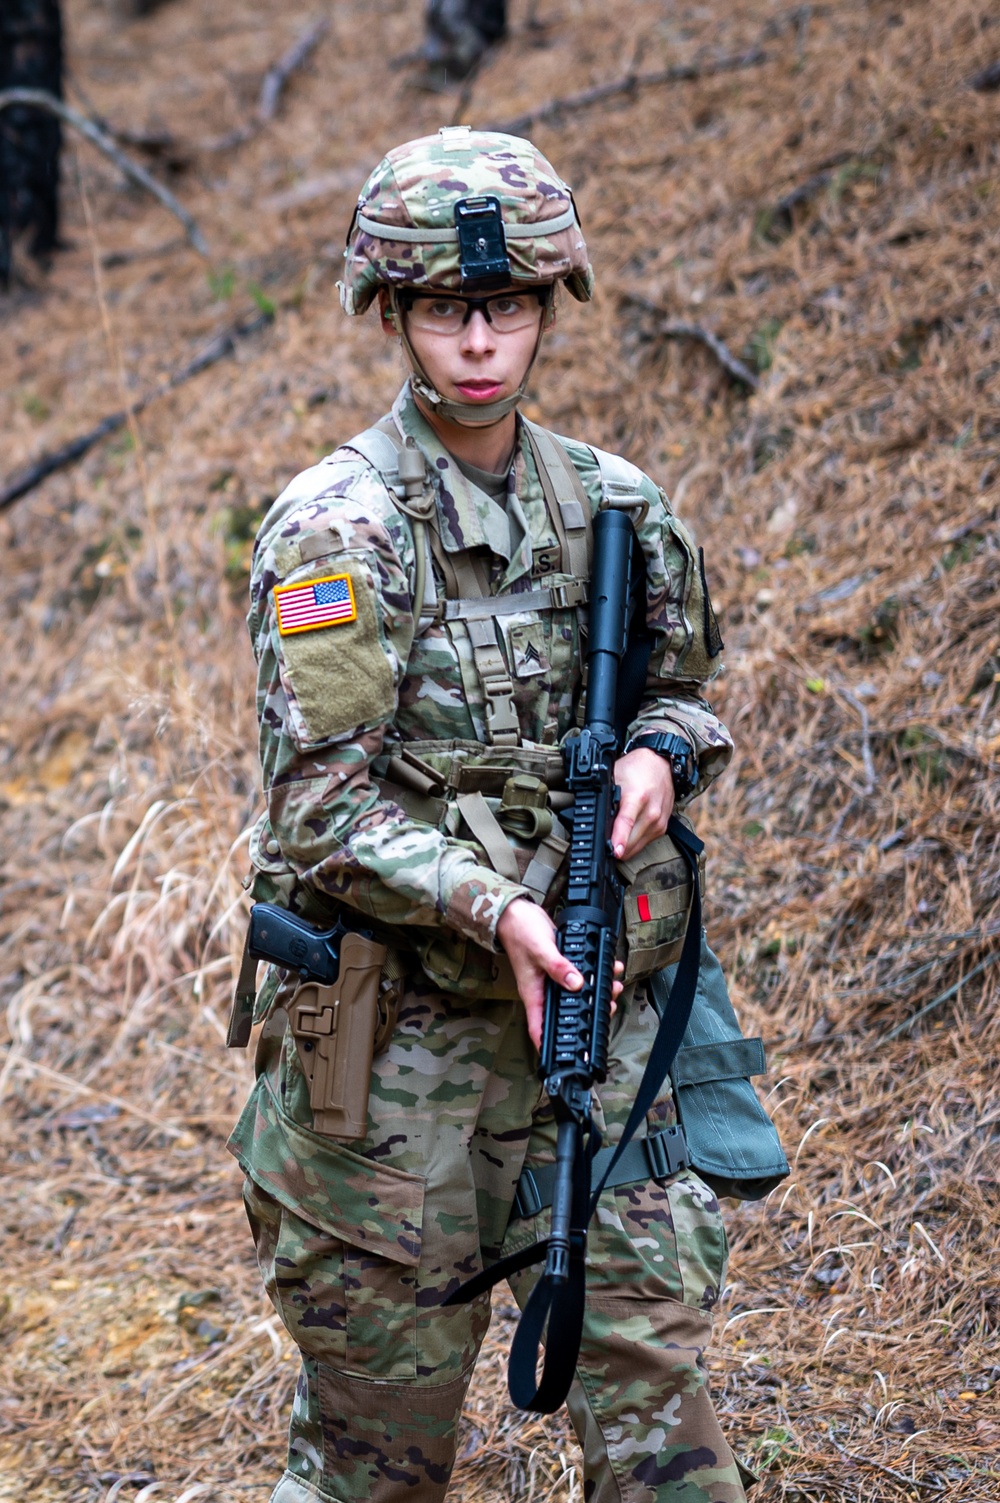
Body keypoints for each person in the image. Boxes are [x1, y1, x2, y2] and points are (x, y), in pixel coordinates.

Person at [227, 126, 763, 1503]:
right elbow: (318, 808)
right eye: (447, 309)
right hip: (402, 1064)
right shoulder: (339, 532)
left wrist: (660, 756)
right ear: (394, 312)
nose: (479, 340)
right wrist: (498, 904)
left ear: (547, 310)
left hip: (597, 1032)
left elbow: (683, 690)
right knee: (376, 1462)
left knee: (663, 1432)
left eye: (508, 305)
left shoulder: (618, 507)